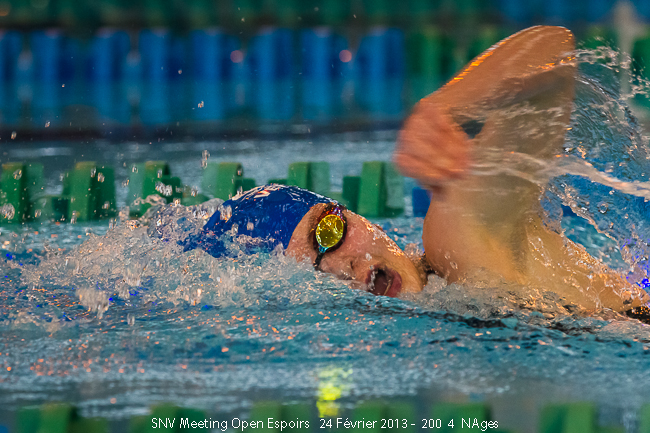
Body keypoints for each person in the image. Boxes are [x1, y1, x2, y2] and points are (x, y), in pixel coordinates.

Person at [190, 25, 649, 315]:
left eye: (329, 232)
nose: (346, 267)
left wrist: (442, 108)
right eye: (314, 275)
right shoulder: (438, 310)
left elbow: (554, 50)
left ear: (355, 215)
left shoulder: (455, 241)